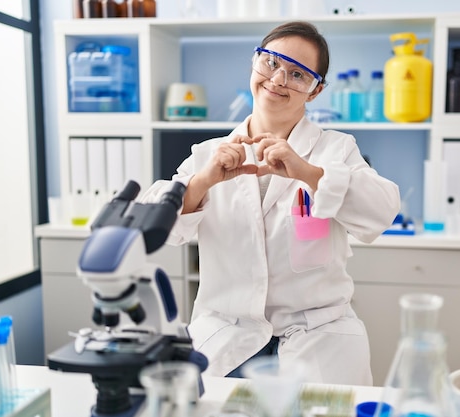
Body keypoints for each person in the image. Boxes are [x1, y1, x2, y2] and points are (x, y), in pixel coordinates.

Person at [142, 21, 400, 385]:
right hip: (227, 333)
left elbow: (383, 210)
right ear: (254, 64)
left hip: (318, 335)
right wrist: (204, 181)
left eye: (297, 74)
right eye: (271, 63)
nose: (278, 79)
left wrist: (308, 172)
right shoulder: (207, 155)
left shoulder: (335, 150)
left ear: (314, 90)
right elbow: (154, 224)